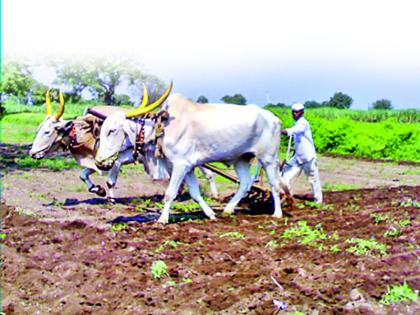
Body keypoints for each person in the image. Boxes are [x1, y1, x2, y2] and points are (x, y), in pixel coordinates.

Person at [280, 103, 323, 203]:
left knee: (313, 179)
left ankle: (318, 201)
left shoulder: (303, 123)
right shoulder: (297, 123)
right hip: (298, 157)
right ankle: (285, 197)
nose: (295, 114)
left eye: (297, 112)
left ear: (302, 113)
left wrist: (278, 130)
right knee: (285, 176)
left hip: (308, 157)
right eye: (293, 112)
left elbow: (293, 131)